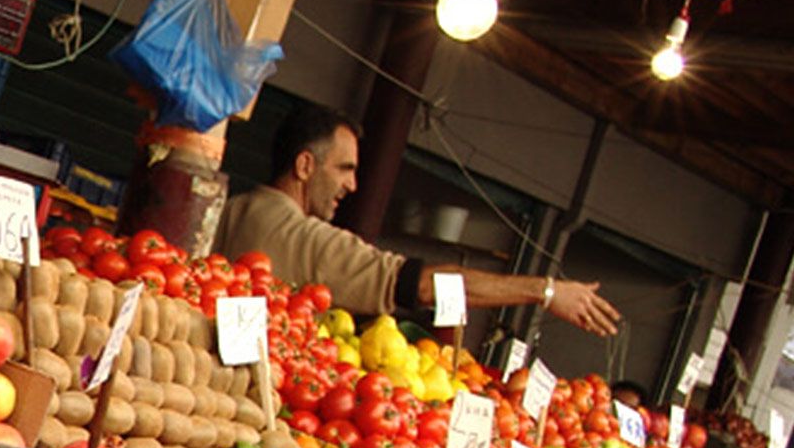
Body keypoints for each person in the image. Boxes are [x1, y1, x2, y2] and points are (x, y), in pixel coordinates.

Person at [217, 103, 623, 335]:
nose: (354, 185)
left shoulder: (229, 208)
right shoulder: (310, 241)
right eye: (345, 168)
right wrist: (545, 291)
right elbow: (422, 285)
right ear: (305, 165)